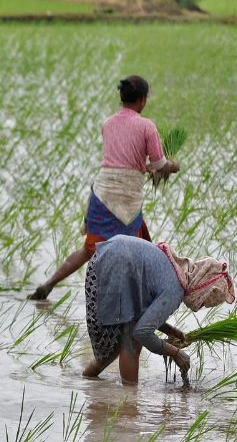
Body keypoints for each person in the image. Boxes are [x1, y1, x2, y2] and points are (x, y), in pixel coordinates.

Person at [30, 75, 180, 301]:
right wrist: (172, 165)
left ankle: (49, 284)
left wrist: (144, 167)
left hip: (102, 193)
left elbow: (122, 160)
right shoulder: (146, 125)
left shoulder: (108, 123)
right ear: (142, 100)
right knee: (134, 253)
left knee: (90, 249)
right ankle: (133, 303)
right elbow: (159, 164)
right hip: (127, 198)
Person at [83, 234, 236, 384]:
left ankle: (89, 379)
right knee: (132, 341)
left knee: (115, 345)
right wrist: (175, 353)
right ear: (202, 292)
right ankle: (129, 398)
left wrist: (170, 330)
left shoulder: (177, 271)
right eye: (203, 303)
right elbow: (142, 332)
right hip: (111, 268)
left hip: (106, 259)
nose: (199, 307)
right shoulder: (175, 290)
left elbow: (142, 314)